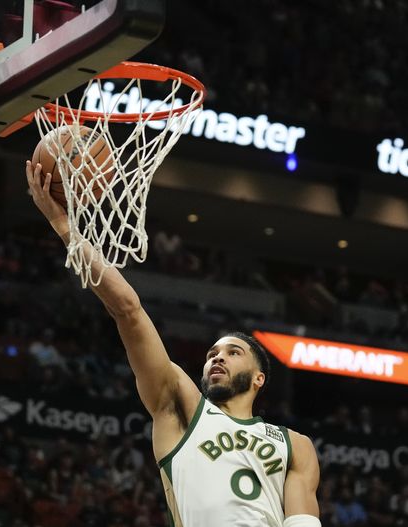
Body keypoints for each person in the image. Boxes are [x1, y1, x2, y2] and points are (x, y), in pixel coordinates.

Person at [26, 160, 321, 527]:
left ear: (260, 378)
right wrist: (66, 228)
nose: (217, 357)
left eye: (233, 352)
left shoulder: (294, 444)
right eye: (212, 352)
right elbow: (128, 310)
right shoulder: (181, 407)